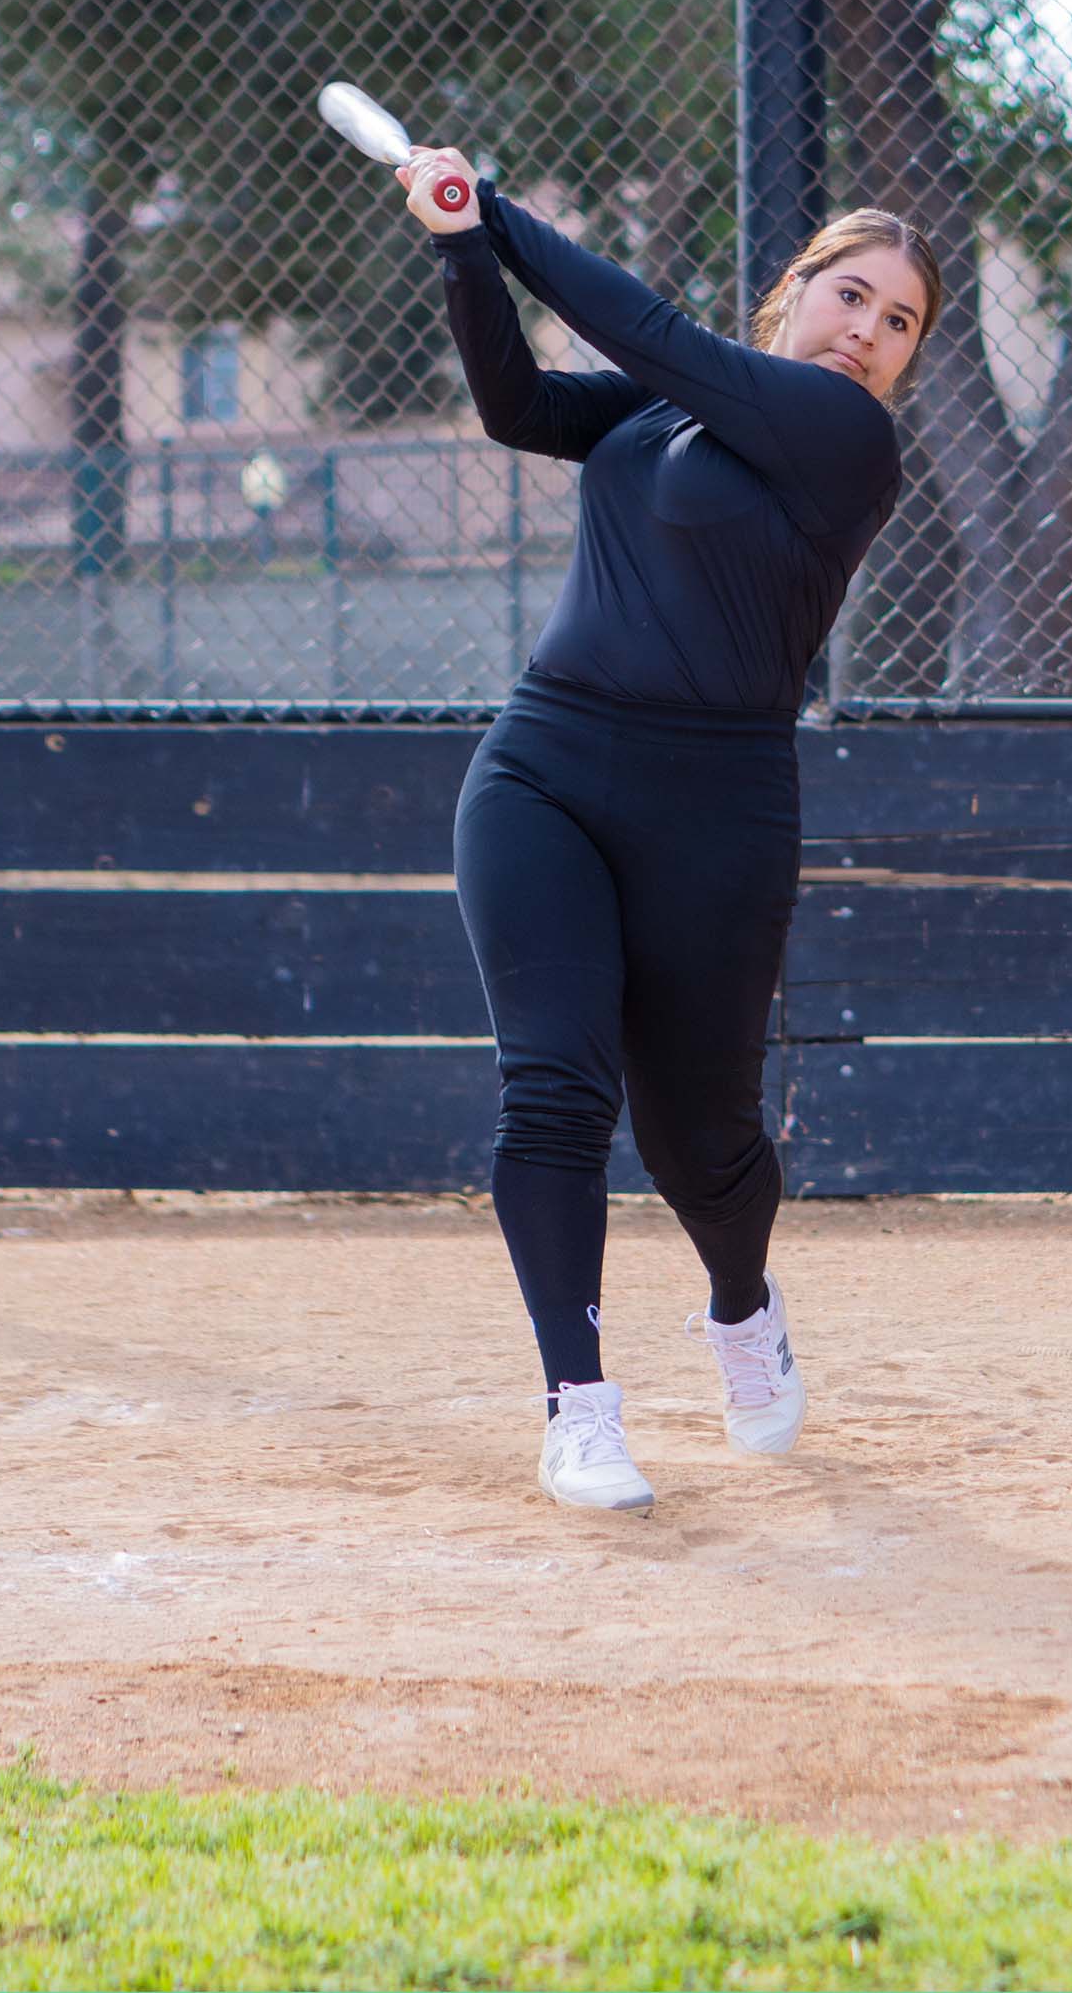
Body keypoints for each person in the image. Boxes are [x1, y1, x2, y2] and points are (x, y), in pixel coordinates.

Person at [396, 144, 935, 1514]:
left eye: (898, 322)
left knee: (702, 1141)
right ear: (796, 291)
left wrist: (492, 212)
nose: (867, 332)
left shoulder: (846, 440)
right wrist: (461, 253)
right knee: (554, 1090)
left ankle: (742, 1305)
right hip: (545, 767)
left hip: (718, 807)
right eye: (852, 296)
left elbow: (648, 330)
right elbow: (519, 407)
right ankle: (577, 1407)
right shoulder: (665, 407)